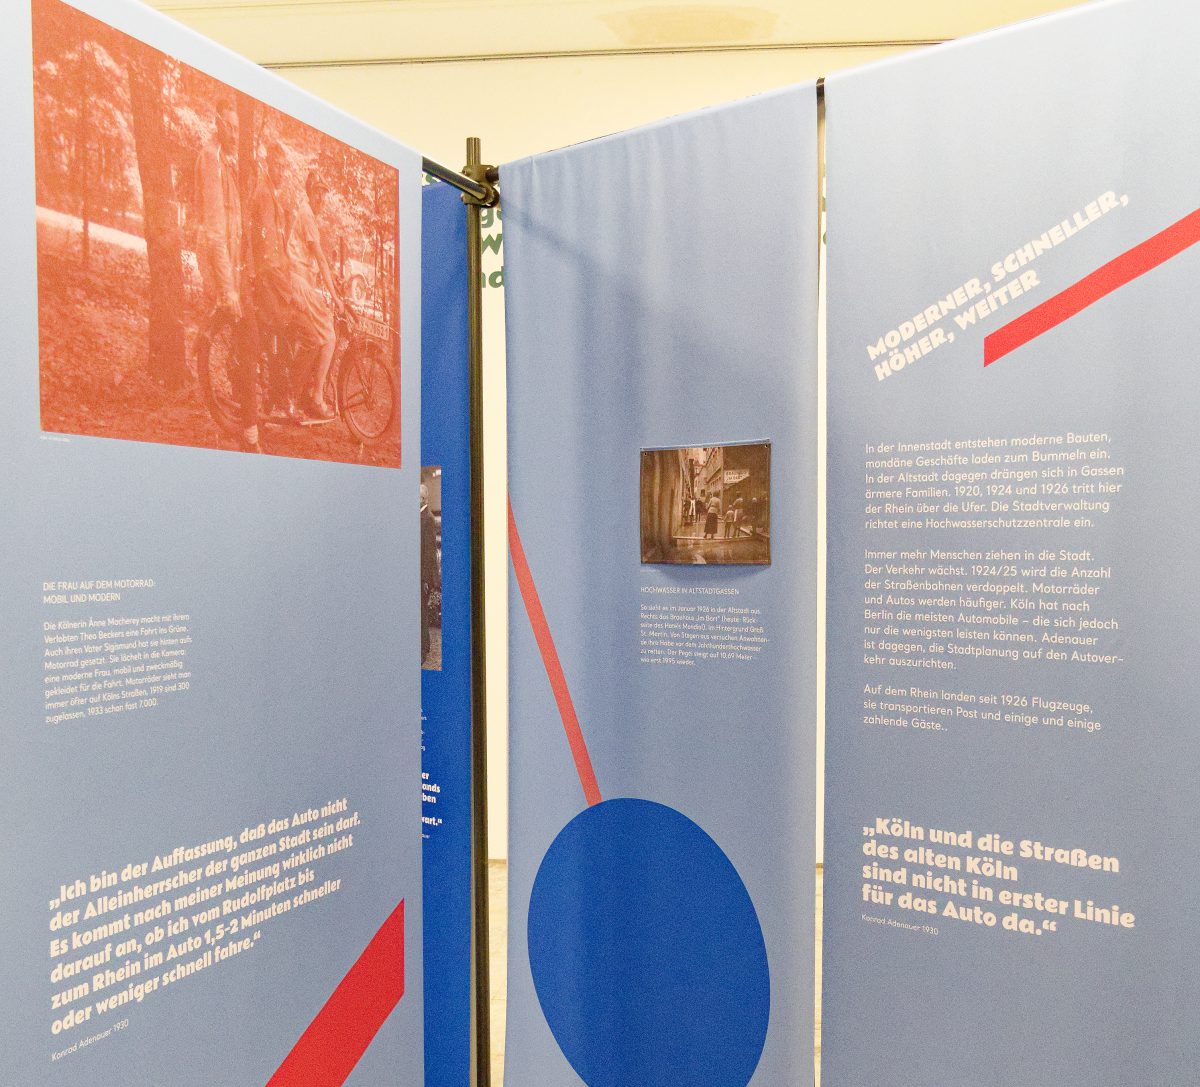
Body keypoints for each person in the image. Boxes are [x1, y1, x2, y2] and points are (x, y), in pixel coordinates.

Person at [196, 97, 261, 452]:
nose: (234, 133)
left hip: (236, 270)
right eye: (229, 126)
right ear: (217, 122)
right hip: (223, 274)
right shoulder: (211, 158)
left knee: (250, 342)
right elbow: (215, 231)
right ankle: (250, 433)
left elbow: (238, 226)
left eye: (237, 128)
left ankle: (242, 413)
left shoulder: (229, 160)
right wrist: (228, 289)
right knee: (247, 341)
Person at [287, 170, 343, 420]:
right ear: (309, 193)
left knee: (318, 331)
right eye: (317, 193)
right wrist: (335, 296)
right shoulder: (307, 215)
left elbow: (316, 260)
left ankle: (307, 389)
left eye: (323, 194)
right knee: (328, 335)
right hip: (298, 282)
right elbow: (319, 258)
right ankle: (316, 396)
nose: (321, 198)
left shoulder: (306, 213)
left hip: (300, 280)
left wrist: (331, 284)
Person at [248, 138, 297, 418]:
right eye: (277, 166)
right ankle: (277, 398)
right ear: (268, 164)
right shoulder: (265, 195)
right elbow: (267, 256)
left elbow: (280, 250)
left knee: (283, 332)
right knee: (284, 328)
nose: (280, 171)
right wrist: (287, 290)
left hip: (273, 277)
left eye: (283, 167)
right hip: (266, 279)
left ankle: (276, 396)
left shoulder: (272, 194)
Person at [420, 482, 441, 666]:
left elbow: (429, 552)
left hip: (422, 577)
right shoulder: (422, 516)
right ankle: (424, 647)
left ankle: (422, 652)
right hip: (420, 576)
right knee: (421, 613)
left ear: (424, 499)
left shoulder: (427, 518)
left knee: (421, 614)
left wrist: (426, 579)